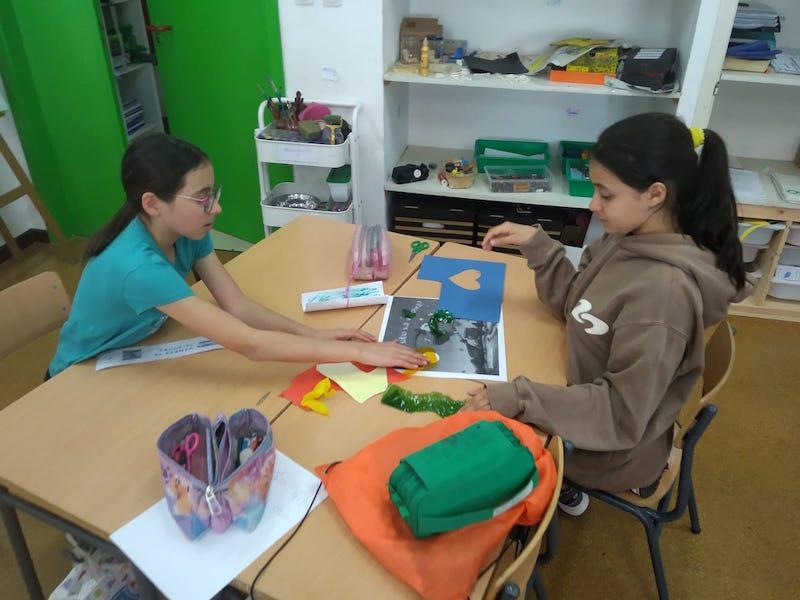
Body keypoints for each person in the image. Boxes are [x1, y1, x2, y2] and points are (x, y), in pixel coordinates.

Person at [463, 113, 750, 515]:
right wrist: (540, 248)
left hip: (610, 449)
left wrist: (519, 397)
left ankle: (560, 486)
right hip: (586, 398)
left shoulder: (663, 295)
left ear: (655, 194)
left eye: (606, 194)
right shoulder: (629, 237)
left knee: (470, 451)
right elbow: (581, 307)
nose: (593, 204)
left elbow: (619, 414)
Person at [48, 134, 426, 377]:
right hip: (84, 372)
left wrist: (310, 333)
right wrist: (360, 352)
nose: (216, 208)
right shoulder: (137, 266)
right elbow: (251, 344)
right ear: (152, 204)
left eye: (213, 193)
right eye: (202, 198)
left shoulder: (186, 230)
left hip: (138, 349)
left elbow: (236, 305)